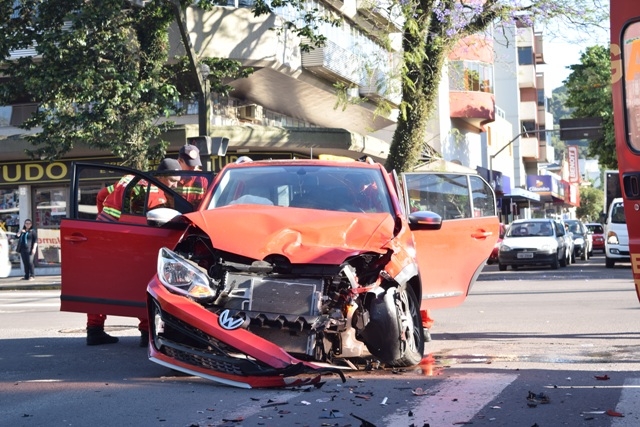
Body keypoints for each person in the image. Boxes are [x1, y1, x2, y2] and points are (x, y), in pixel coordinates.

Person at [86, 158, 181, 346]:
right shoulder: (156, 193)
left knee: (100, 284)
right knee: (142, 283)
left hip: (102, 234)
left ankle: (94, 330)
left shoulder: (129, 178)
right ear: (161, 176)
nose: (175, 185)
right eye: (172, 181)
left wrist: (102, 220)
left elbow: (101, 195)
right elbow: (156, 221)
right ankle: (146, 334)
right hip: (125, 240)